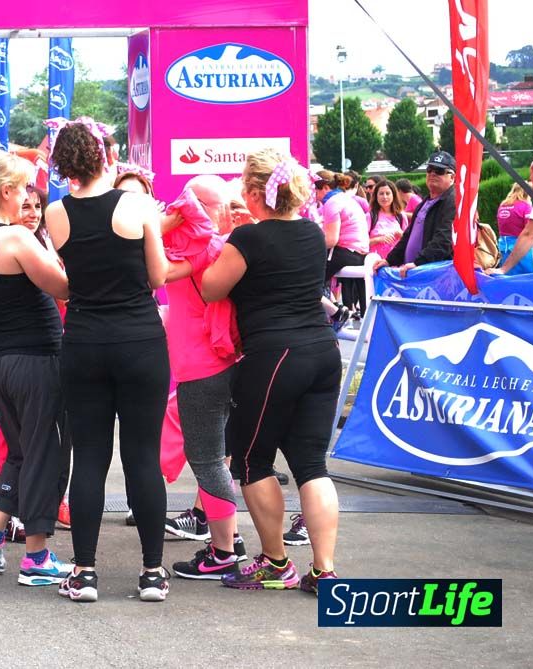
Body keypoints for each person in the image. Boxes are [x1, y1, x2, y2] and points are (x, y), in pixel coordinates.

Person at [200, 148, 341, 595]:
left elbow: (210, 288)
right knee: (311, 465)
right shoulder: (312, 233)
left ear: (257, 192)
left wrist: (227, 237)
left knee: (251, 459)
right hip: (322, 351)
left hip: (276, 355)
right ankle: (324, 569)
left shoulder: (249, 240)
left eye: (244, 185)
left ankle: (276, 561)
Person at [45, 119, 172, 603]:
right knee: (142, 455)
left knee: (91, 459)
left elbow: (71, 278)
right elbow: (157, 276)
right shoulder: (137, 203)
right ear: (105, 155)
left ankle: (84, 571)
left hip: (84, 341)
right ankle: (153, 573)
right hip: (140, 339)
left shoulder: (56, 213)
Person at [0, 154, 72, 586]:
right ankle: (37, 555)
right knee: (44, 452)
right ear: (6, 192)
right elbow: (64, 287)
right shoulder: (17, 240)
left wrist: (3, 319)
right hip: (37, 357)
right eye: (23, 189)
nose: (27, 197)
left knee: (22, 451)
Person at [159, 176, 242, 580]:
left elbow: (152, 272)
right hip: (218, 362)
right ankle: (232, 538)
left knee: (208, 461)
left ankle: (224, 549)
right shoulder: (226, 248)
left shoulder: (205, 250)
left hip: (203, 366)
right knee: (217, 458)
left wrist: (168, 222)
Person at [376, 151, 456, 277]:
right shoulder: (425, 202)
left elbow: (444, 239)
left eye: (439, 171)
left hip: (435, 276)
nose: (433, 174)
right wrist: (389, 260)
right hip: (417, 274)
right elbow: (408, 236)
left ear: (452, 177)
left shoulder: (453, 201)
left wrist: (418, 263)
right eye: (430, 169)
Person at [315, 170, 369, 323]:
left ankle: (336, 312)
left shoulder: (332, 203)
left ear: (325, 187)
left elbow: (331, 240)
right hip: (358, 252)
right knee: (317, 279)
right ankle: (336, 308)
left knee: (306, 280)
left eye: (315, 191)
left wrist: (309, 244)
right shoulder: (345, 198)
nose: (314, 196)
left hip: (347, 252)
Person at [489, 156, 533, 276]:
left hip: (504, 245)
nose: (530, 179)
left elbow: (529, 234)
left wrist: (503, 269)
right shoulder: (526, 205)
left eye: (531, 174)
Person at [367, 178, 408, 260]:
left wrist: (402, 235)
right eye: (381, 193)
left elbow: (409, 241)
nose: (384, 197)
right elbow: (361, 243)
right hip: (375, 264)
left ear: (393, 195)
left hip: (397, 263)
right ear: (376, 196)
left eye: (388, 193)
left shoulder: (401, 216)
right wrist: (378, 239)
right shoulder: (370, 217)